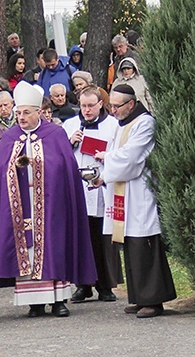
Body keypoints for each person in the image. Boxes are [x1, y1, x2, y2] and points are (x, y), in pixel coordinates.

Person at [0, 81, 97, 318]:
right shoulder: (11, 137)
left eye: (26, 113)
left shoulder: (54, 134)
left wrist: (40, 165)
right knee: (28, 251)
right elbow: (2, 169)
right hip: (22, 207)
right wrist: (16, 167)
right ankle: (34, 302)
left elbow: (63, 167)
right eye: (18, 113)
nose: (21, 117)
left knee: (53, 247)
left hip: (51, 205)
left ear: (38, 113)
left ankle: (58, 301)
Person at [93, 84, 176, 318]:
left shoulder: (144, 123)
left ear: (131, 104)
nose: (112, 111)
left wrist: (106, 159)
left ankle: (154, 299)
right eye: (111, 105)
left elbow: (131, 158)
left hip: (140, 191)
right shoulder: (123, 123)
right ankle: (139, 297)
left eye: (117, 106)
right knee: (130, 243)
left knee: (144, 242)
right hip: (123, 191)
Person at [63, 85, 122, 302]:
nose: (86, 110)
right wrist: (70, 144)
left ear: (100, 104)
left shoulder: (113, 125)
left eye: (91, 106)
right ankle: (83, 285)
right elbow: (59, 157)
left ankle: (106, 285)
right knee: (82, 238)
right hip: (78, 188)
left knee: (103, 239)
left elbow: (119, 153)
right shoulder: (70, 125)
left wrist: (105, 156)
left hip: (103, 187)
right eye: (83, 106)